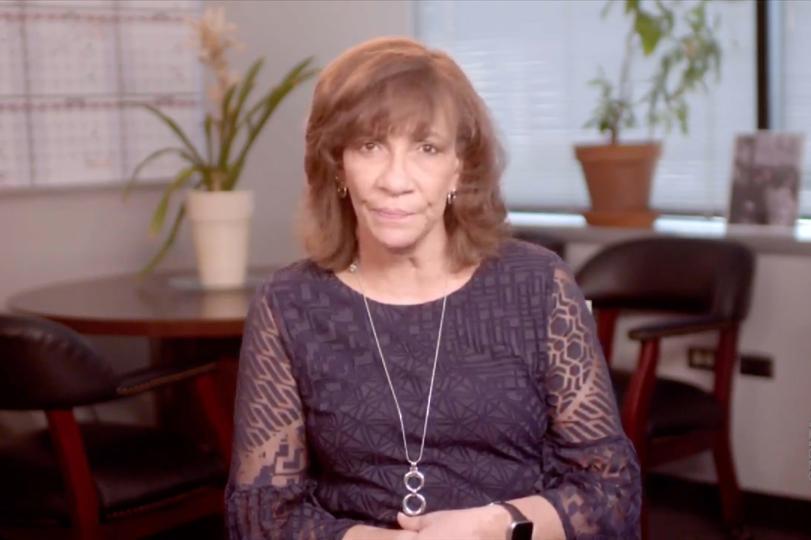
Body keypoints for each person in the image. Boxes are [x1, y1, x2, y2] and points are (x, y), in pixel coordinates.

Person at [224, 36, 641, 540]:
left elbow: (612, 494)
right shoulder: (289, 304)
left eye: (426, 148)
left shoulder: (537, 285)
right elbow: (261, 514)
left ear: (458, 167)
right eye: (370, 146)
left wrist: (490, 527)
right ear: (338, 165)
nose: (395, 179)